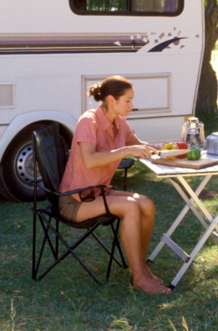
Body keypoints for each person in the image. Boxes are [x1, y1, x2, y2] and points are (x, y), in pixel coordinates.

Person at [58, 75, 171, 294]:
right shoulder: (87, 121)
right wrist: (126, 150)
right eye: (128, 100)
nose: (132, 105)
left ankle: (139, 265)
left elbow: (138, 145)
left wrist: (162, 148)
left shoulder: (119, 122)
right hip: (74, 200)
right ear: (111, 100)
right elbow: (90, 160)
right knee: (129, 206)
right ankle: (139, 277)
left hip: (97, 193)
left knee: (146, 203)